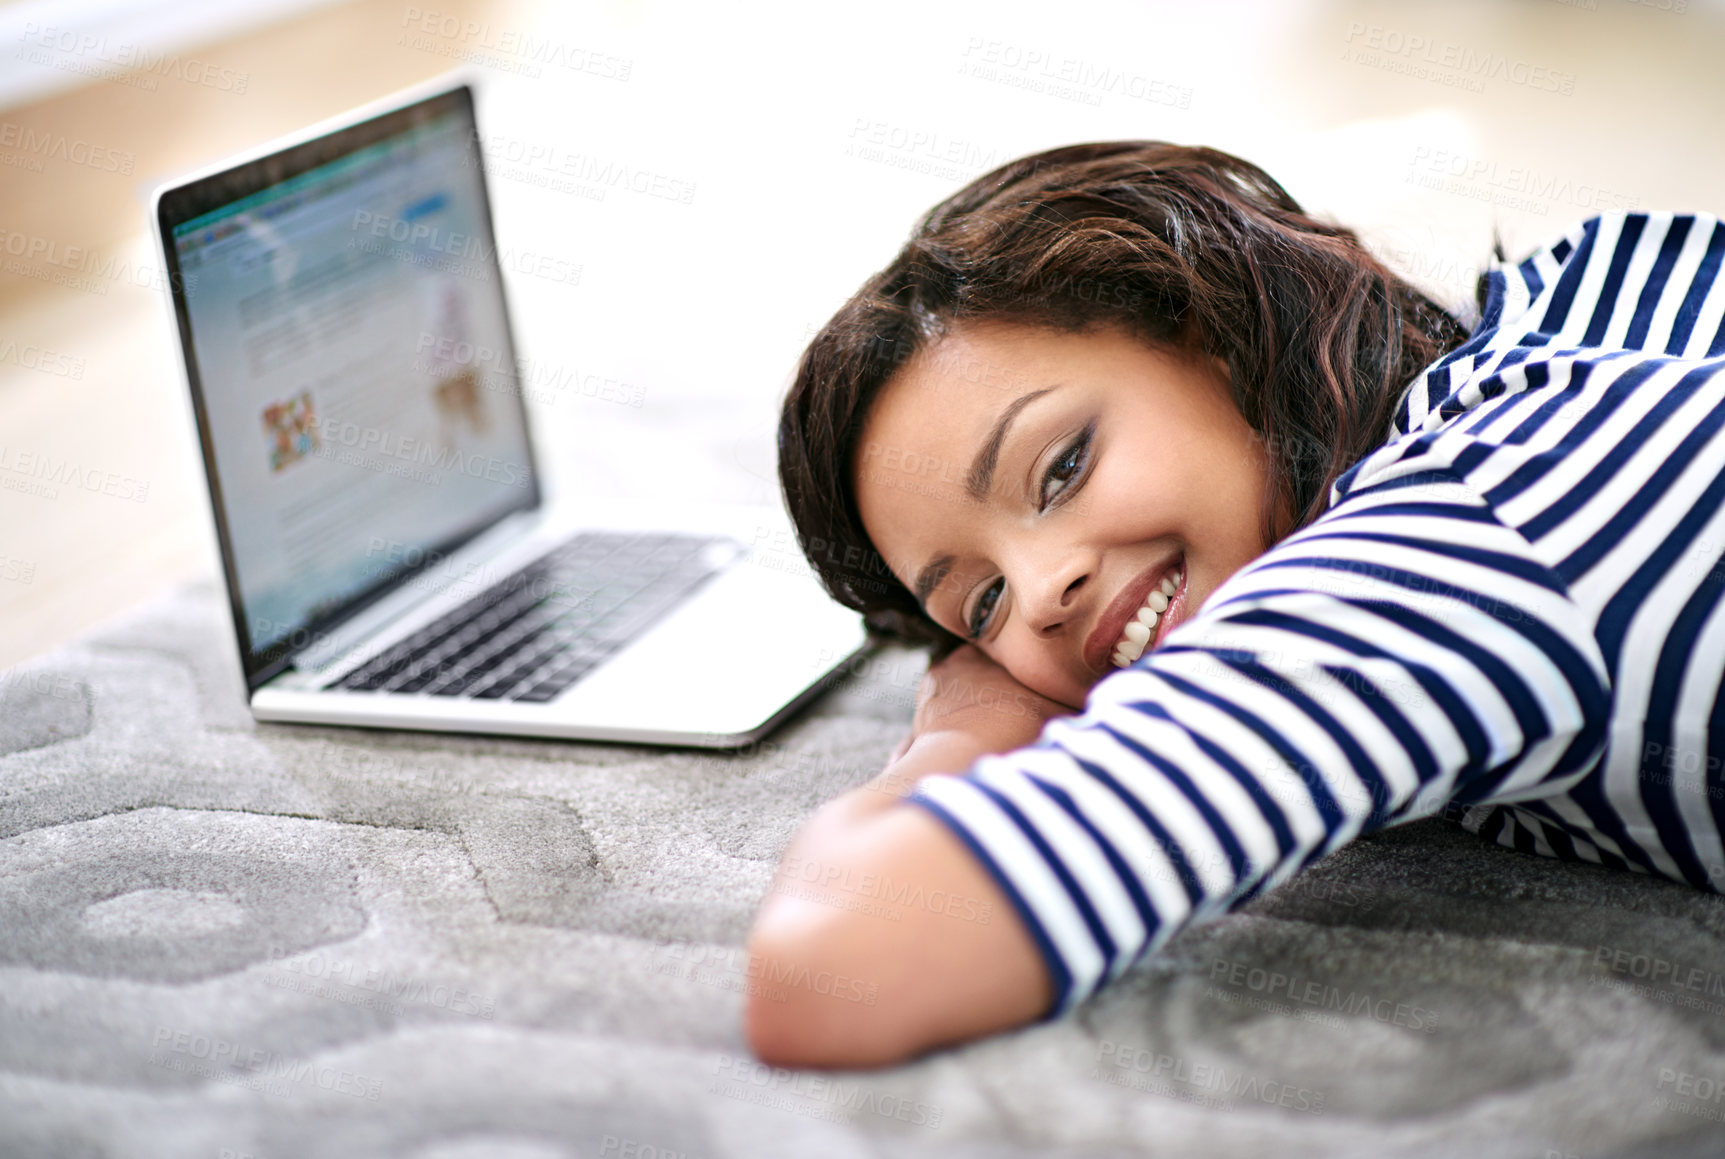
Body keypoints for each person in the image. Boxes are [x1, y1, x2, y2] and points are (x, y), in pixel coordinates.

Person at [745, 141, 1725, 1069]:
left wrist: (961, 733)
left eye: (1062, 467)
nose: (1042, 593)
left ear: (1211, 330)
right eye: (983, 603)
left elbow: (834, 968)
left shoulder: (1438, 548)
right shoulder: (1596, 295)